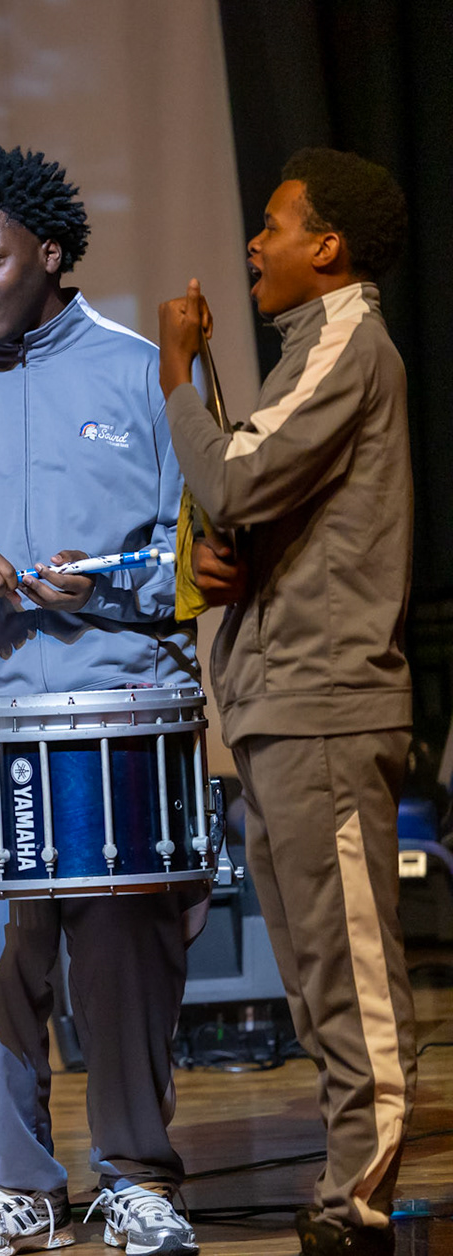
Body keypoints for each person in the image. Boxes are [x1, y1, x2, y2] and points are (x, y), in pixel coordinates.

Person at [0, 148, 202, 1256]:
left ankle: (136, 1174)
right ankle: (15, 1182)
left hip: (119, 705)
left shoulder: (142, 376)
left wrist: (104, 585)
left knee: (123, 953)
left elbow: (200, 560)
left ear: (51, 253)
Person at [157, 148, 415, 1256]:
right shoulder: (308, 351)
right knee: (315, 973)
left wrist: (177, 374)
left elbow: (235, 477)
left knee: (349, 966)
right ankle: (345, 1181)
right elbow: (249, 497)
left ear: (330, 247)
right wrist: (224, 560)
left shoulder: (350, 342)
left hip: (326, 704)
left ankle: (357, 1197)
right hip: (279, 701)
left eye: (275, 226)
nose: (255, 244)